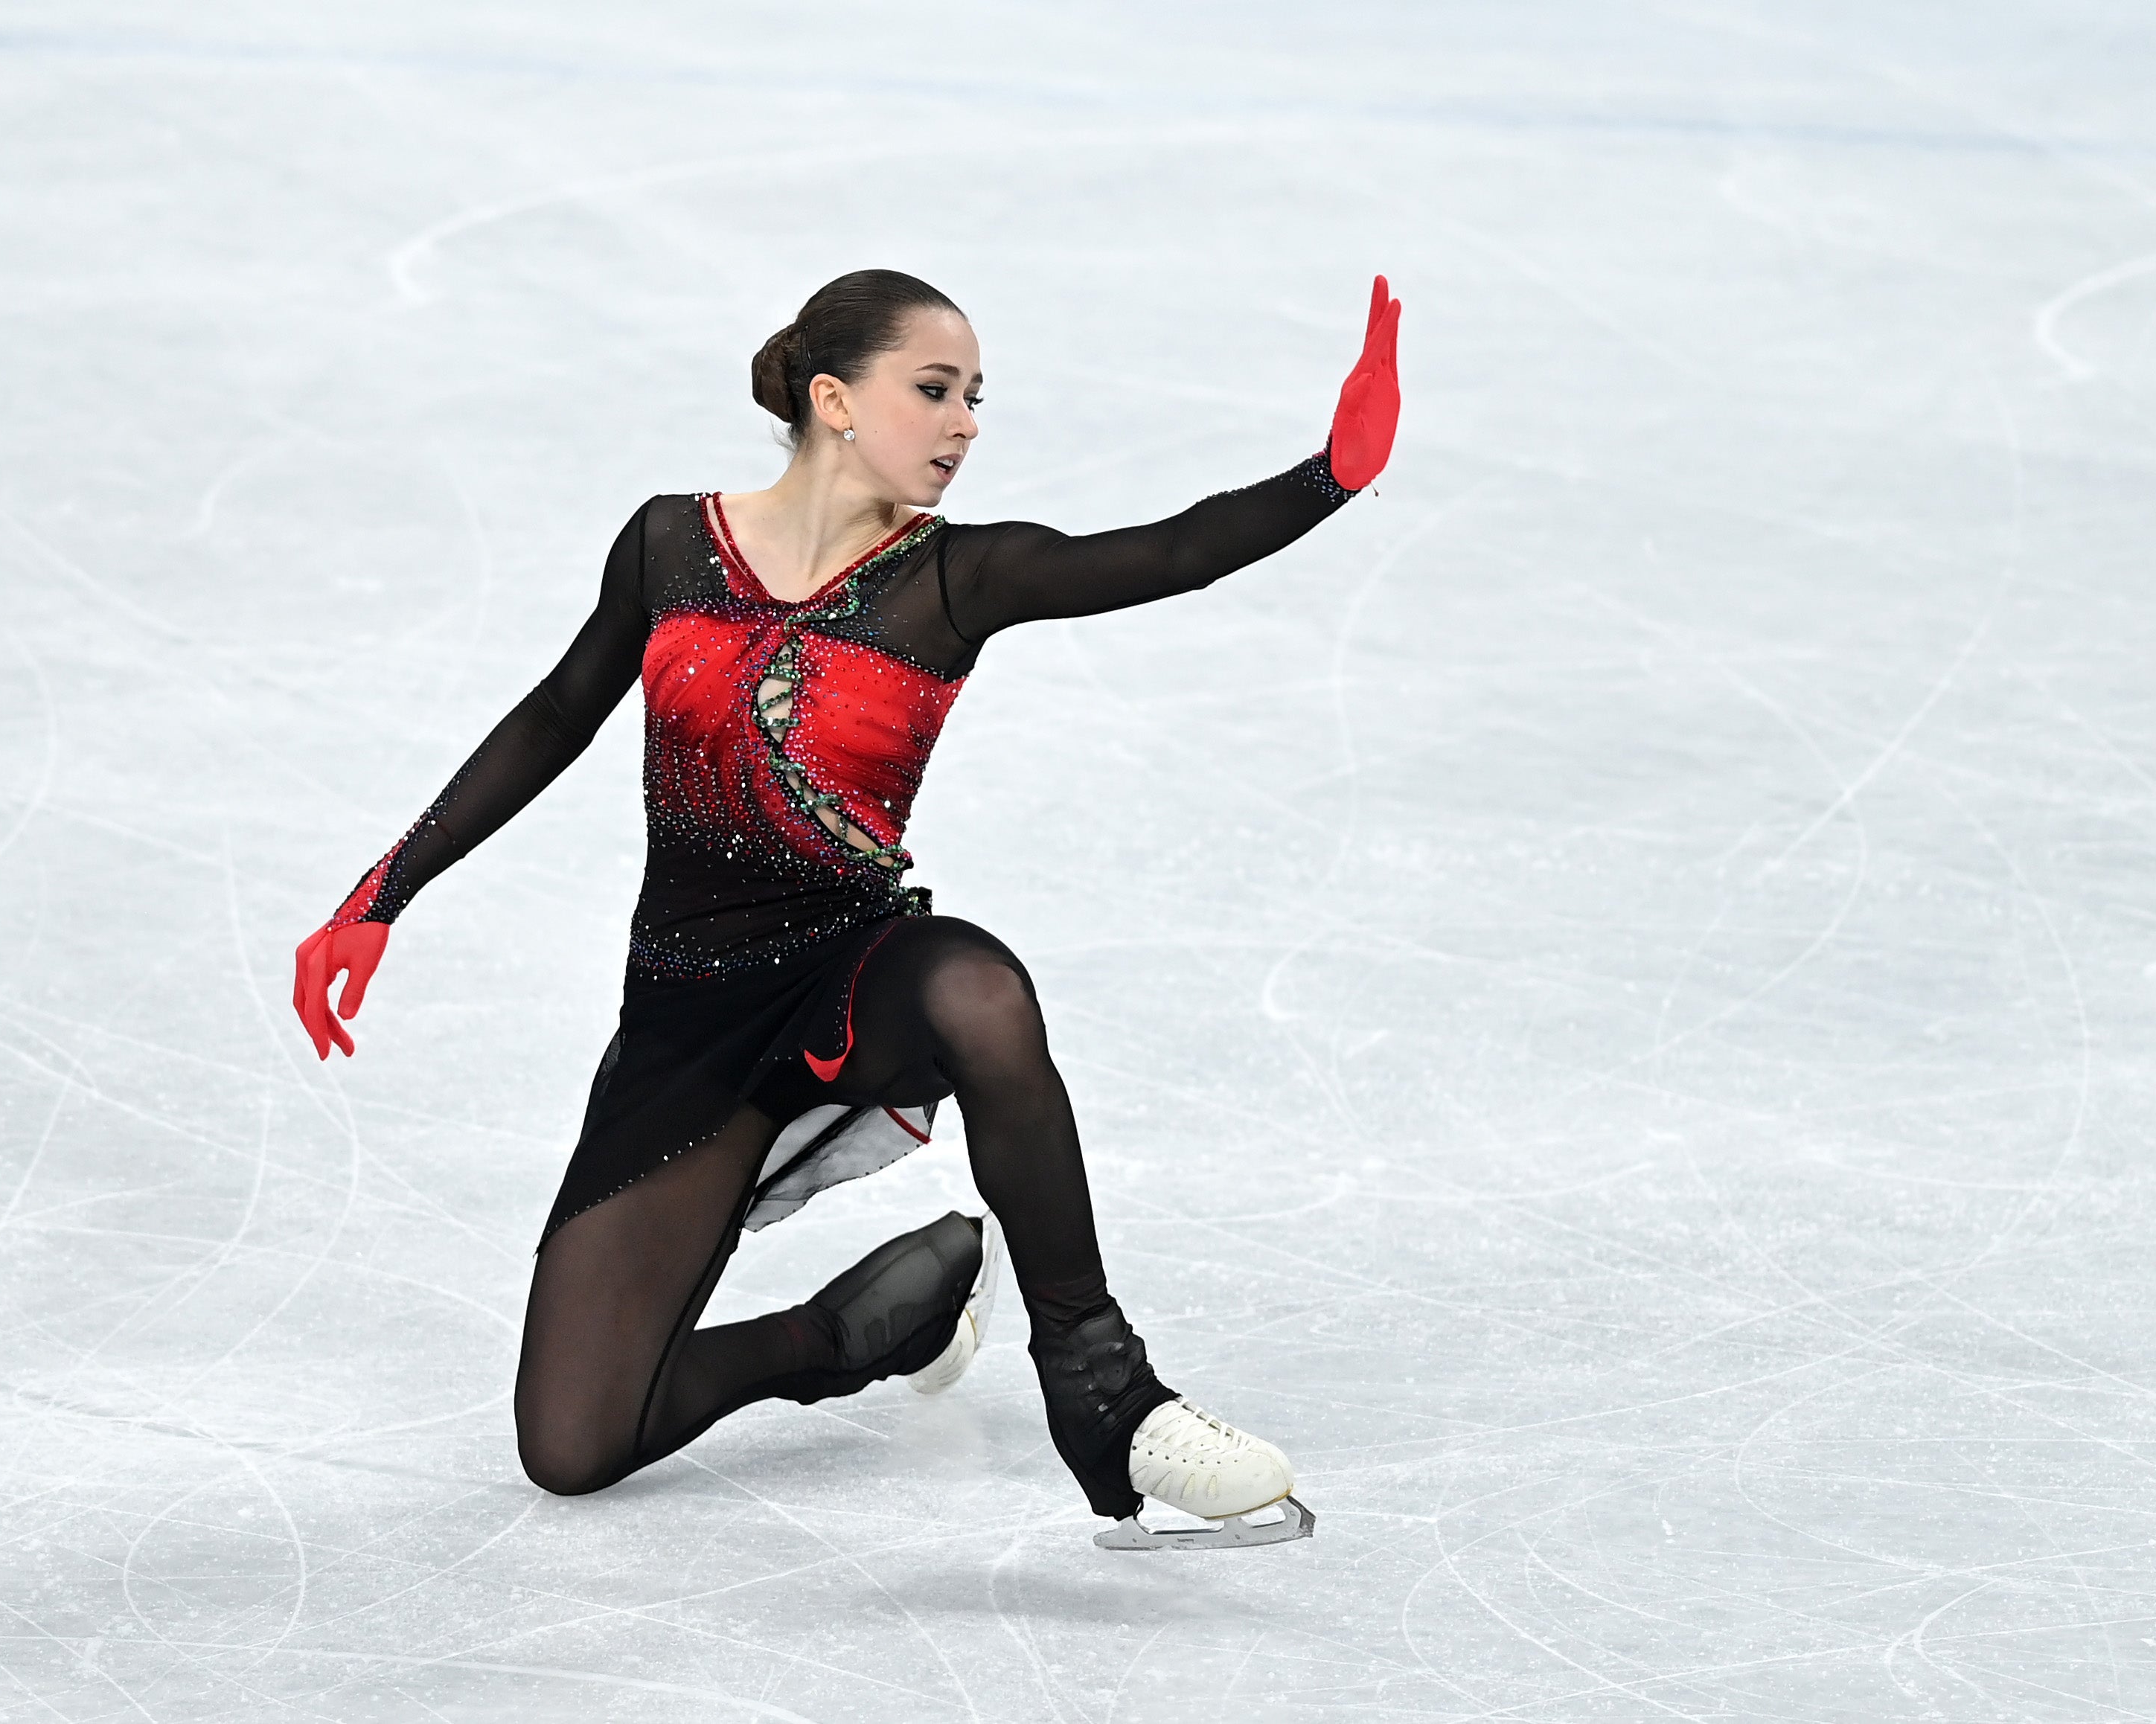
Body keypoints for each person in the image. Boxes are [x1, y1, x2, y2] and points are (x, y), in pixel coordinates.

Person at [293, 268, 1402, 1549]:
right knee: (575, 1442)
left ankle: (1106, 1388)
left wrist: (1332, 474)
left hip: (847, 967)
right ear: (833, 399)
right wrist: (384, 890)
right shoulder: (667, 545)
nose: (965, 422)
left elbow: (1168, 554)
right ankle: (878, 1318)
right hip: (686, 1019)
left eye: (975, 398)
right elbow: (552, 716)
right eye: (934, 391)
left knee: (977, 988)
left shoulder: (956, 580)